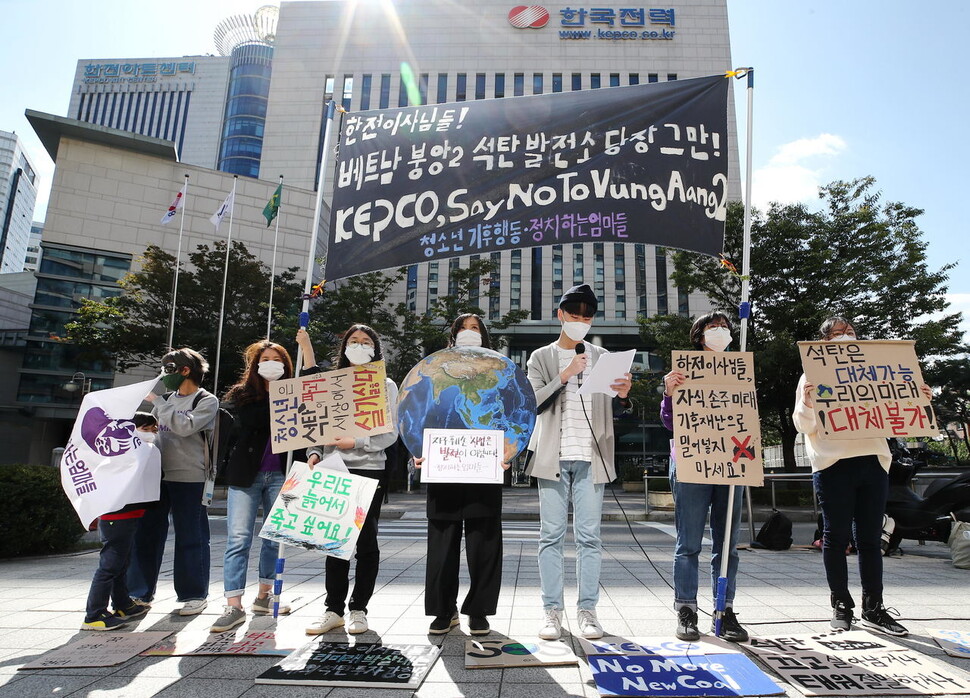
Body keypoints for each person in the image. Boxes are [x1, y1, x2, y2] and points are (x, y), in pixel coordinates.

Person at [793, 317, 930, 636]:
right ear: (823, 342)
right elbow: (803, 425)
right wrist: (808, 402)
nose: (845, 338)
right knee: (836, 536)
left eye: (850, 333)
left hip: (872, 461)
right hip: (832, 465)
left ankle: (874, 607)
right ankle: (841, 604)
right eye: (837, 334)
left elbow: (901, 415)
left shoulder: (875, 370)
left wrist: (919, 399)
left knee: (870, 538)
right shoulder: (810, 376)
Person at [526, 283, 633, 640]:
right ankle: (551, 612)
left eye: (587, 317)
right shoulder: (540, 357)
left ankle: (588, 611)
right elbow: (532, 404)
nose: (582, 322)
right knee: (550, 537)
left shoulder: (603, 356)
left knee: (589, 537)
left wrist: (622, 396)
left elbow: (618, 410)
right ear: (560, 315)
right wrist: (565, 374)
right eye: (575, 315)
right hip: (552, 458)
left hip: (592, 458)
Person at [303, 324, 398, 636]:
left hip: (370, 468)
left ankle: (359, 608)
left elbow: (390, 433)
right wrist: (315, 452)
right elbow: (317, 425)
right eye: (353, 341)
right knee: (335, 542)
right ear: (343, 347)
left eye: (366, 341)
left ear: (375, 349)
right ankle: (333, 609)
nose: (359, 345)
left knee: (366, 543)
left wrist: (355, 442)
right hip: (333, 468)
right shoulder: (330, 384)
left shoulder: (385, 385)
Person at [660, 312, 748, 643]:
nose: (720, 331)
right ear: (699, 336)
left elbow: (747, 418)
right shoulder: (682, 373)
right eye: (713, 327)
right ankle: (686, 609)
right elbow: (669, 424)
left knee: (728, 545)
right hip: (691, 462)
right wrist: (668, 394)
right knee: (689, 543)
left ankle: (724, 610)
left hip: (730, 463)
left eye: (725, 326)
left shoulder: (740, 371)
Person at [420, 314, 505, 636]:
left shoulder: (501, 371)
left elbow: (516, 411)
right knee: (442, 542)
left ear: (484, 335)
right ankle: (443, 611)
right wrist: (418, 449)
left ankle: (479, 611)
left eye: (475, 328)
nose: (469, 333)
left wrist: (510, 451)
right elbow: (417, 410)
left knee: (484, 542)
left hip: (484, 465)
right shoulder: (432, 369)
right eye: (463, 329)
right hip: (443, 463)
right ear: (452, 335)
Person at [210, 339, 296, 633]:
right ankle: (233, 604)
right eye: (266, 359)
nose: (272, 363)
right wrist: (278, 399)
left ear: (286, 365)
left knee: (274, 537)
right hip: (247, 474)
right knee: (238, 539)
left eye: (278, 359)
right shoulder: (242, 394)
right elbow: (251, 423)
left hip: (282, 475)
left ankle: (264, 594)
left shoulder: (297, 393)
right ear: (256, 365)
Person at [127, 348, 217, 616]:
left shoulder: (206, 400)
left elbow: (184, 427)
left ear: (185, 370)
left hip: (191, 477)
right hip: (156, 477)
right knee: (146, 535)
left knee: (191, 536)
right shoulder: (166, 400)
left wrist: (158, 402)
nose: (164, 375)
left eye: (168, 369)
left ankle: (193, 594)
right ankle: (138, 593)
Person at [82, 412, 159, 630]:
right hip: (117, 516)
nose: (153, 434)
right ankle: (94, 614)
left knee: (121, 563)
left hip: (128, 514)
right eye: (148, 429)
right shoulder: (118, 451)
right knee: (110, 565)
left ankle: (123, 604)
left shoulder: (129, 449)